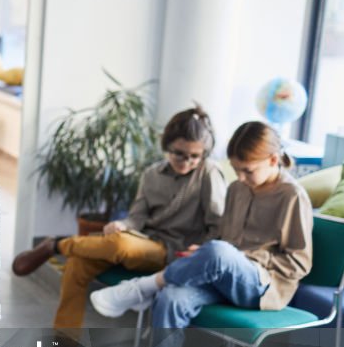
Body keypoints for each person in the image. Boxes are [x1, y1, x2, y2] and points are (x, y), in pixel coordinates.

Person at [90, 121, 313, 339]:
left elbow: (299, 263)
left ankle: (143, 287)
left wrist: (231, 256)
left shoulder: (292, 196)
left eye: (248, 171)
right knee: (171, 298)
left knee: (219, 252)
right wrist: (203, 253)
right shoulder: (237, 188)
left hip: (262, 287)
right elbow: (223, 238)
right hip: (223, 277)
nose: (241, 178)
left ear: (273, 160)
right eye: (236, 170)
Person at [12, 105, 227, 328]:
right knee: (78, 263)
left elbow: (218, 225)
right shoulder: (151, 174)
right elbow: (136, 217)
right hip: (143, 242)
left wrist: (200, 253)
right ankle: (65, 342)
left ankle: (56, 244)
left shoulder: (209, 173)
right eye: (179, 154)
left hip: (176, 253)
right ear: (167, 145)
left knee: (121, 244)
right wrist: (121, 224)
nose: (186, 161)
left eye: (194, 156)